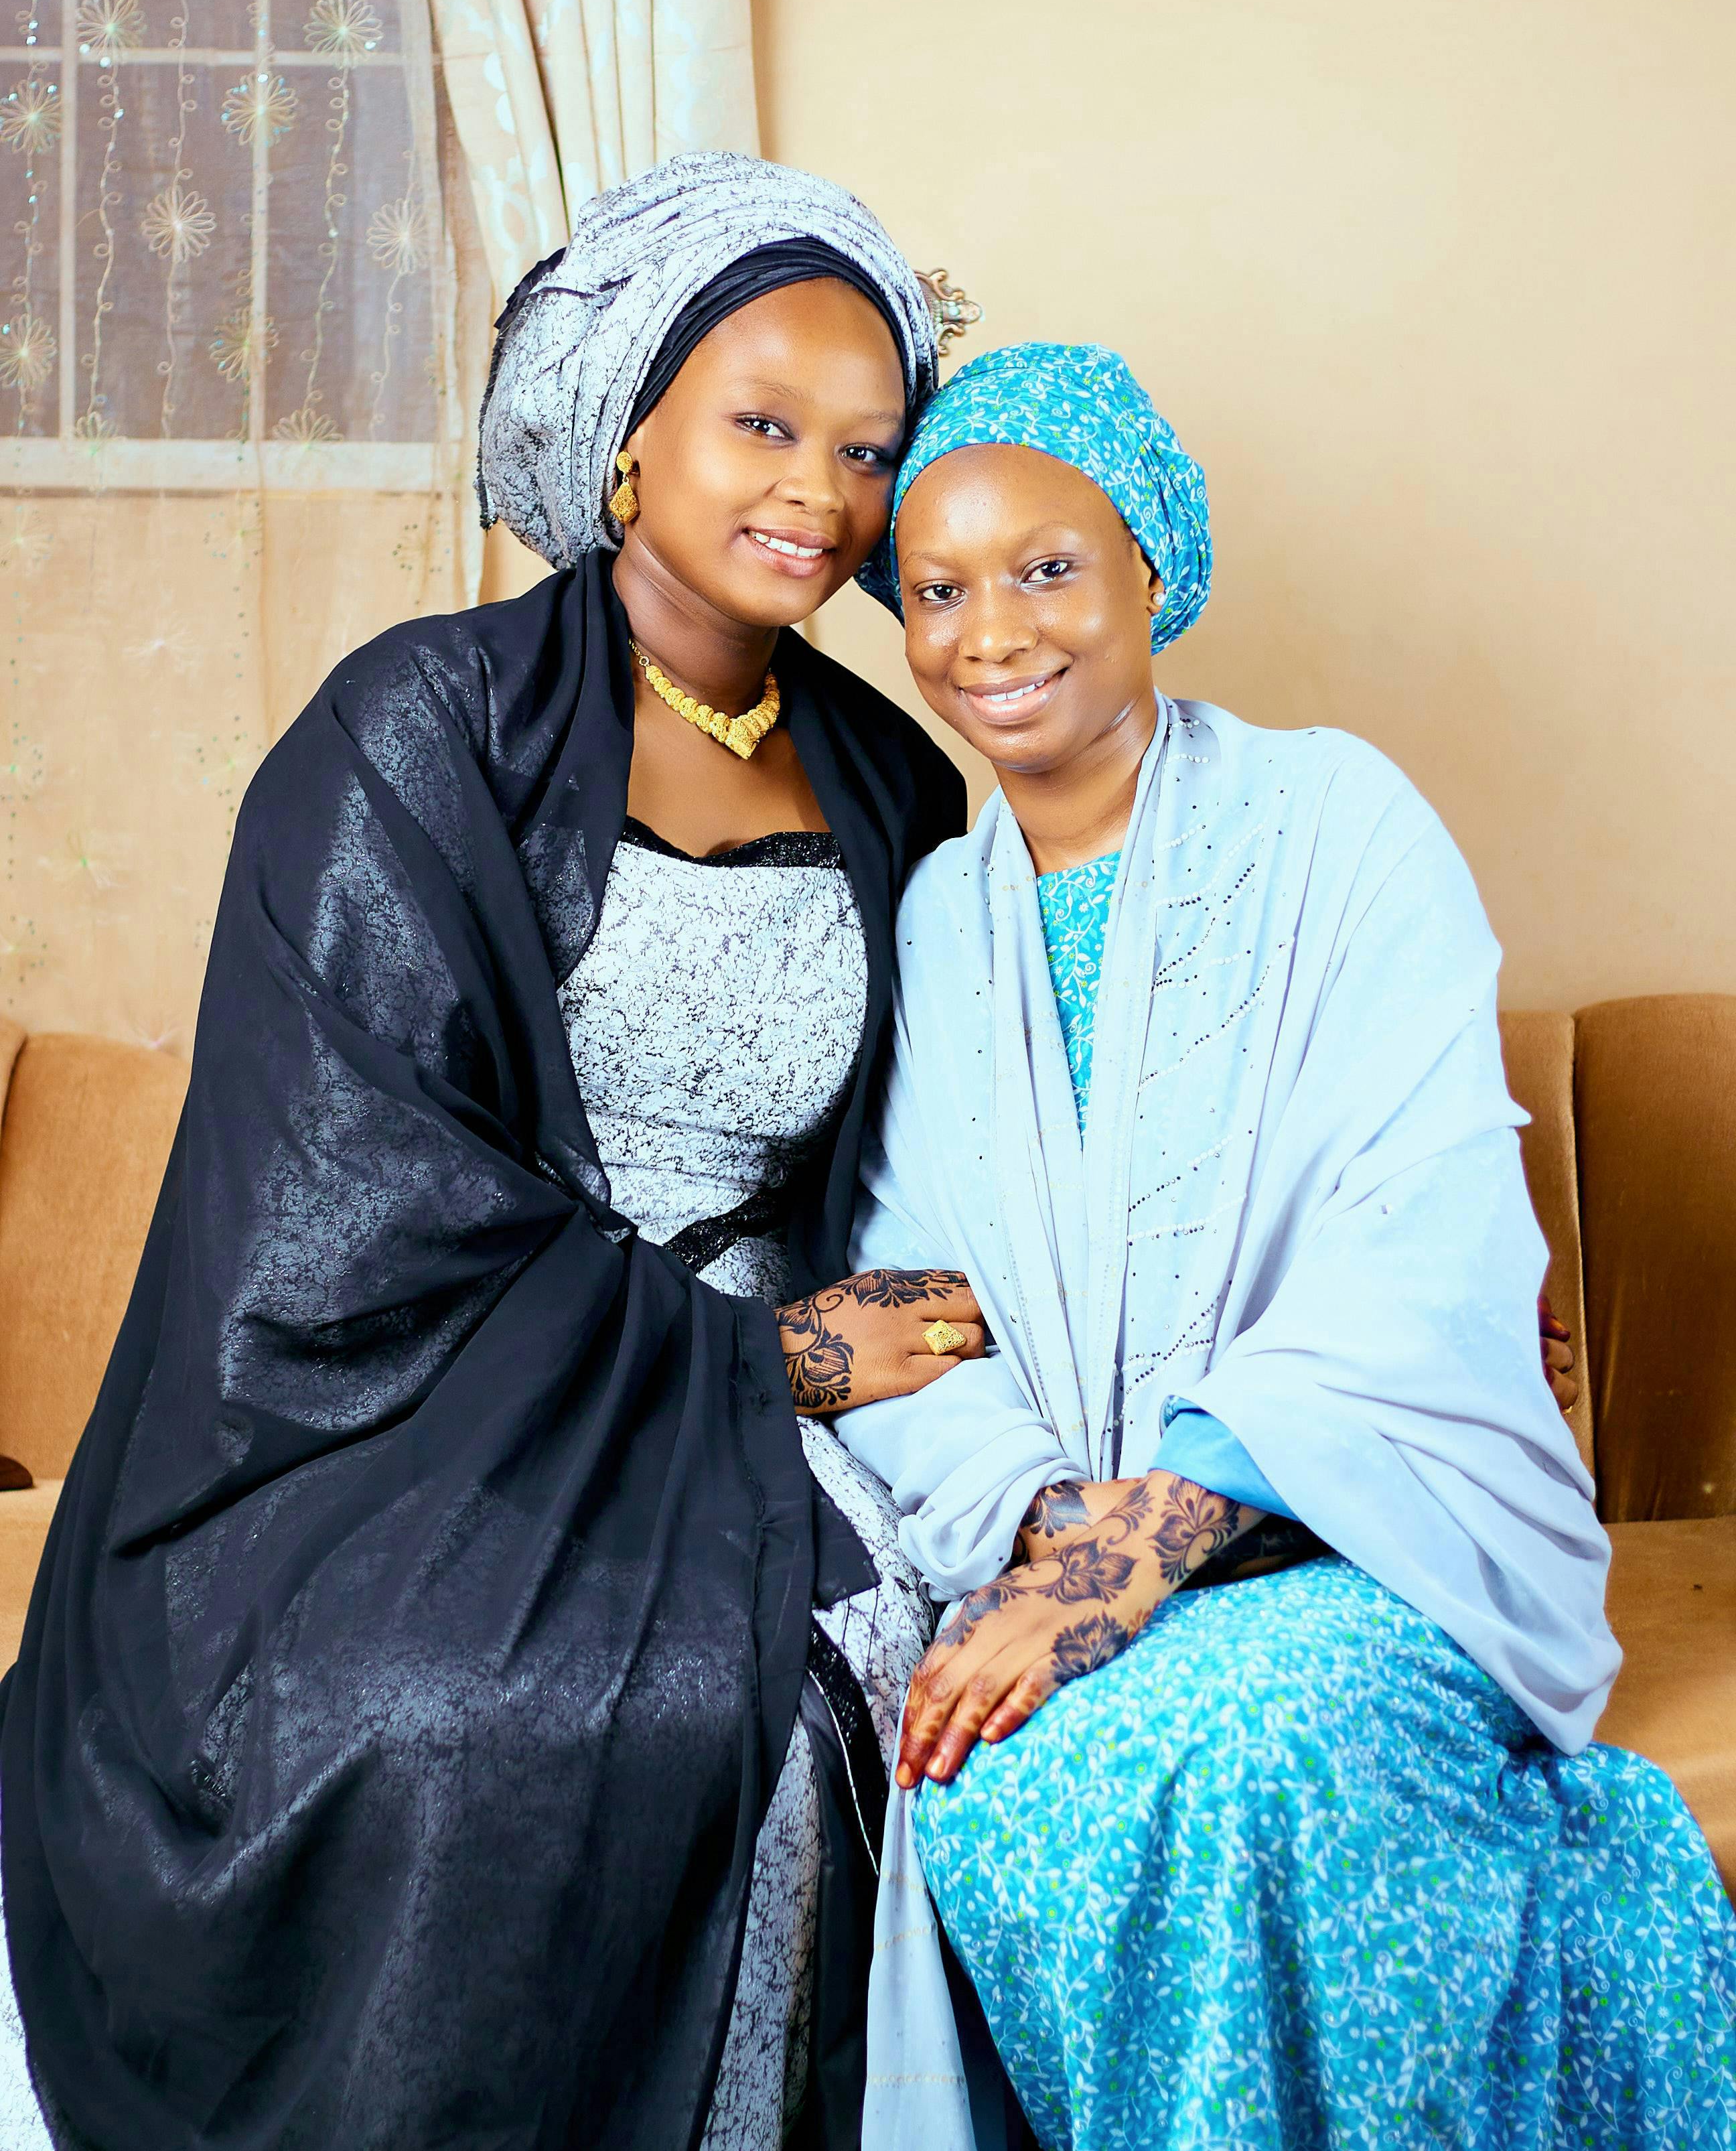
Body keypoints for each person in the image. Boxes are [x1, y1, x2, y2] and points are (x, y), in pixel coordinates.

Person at [0, 155, 989, 2151]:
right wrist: (767, 1357)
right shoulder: (416, 728)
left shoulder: (897, 778)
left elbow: (961, 1127)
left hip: (783, 1413)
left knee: (831, 1679)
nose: (818, 490)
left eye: (867, 450)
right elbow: (342, 1196)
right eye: (762, 425)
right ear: (625, 434)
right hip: (428, 1407)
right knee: (428, 1719)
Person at [837, 343, 1736, 2149]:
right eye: (937, 590)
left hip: (1367, 1537)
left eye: (1046, 569)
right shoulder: (934, 919)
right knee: (995, 1787)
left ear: (1151, 568)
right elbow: (909, 1286)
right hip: (1063, 1544)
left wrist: (1149, 1541)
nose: (990, 633)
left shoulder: (1338, 823)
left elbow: (1424, 1250)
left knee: (1251, 1751)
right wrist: (1051, 1531)